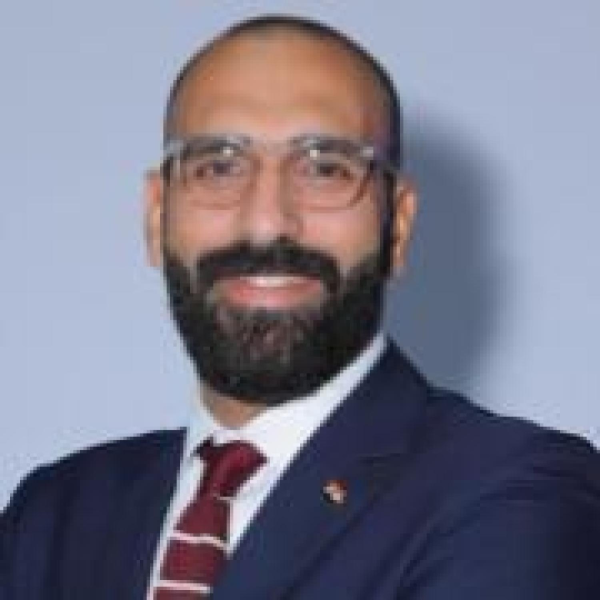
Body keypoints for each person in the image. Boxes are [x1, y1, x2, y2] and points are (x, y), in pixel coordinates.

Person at [2, 14, 599, 600]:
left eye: (324, 169)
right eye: (218, 167)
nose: (267, 223)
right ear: (157, 218)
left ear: (397, 226)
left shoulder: (518, 492)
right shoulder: (55, 516)